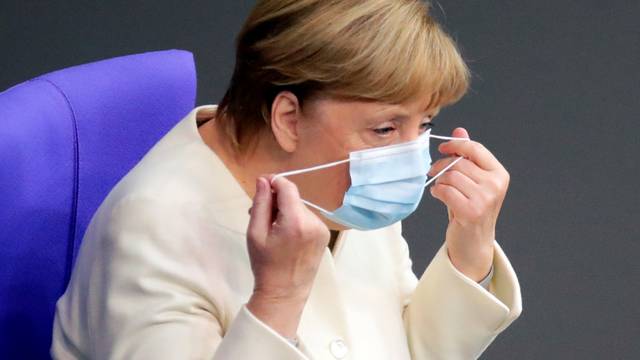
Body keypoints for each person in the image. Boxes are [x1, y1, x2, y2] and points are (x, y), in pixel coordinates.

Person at [52, 0, 522, 358]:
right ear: (289, 118)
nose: (410, 159)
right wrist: (278, 297)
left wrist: (470, 248)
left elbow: (402, 347)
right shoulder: (153, 226)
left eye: (423, 124)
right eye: (385, 128)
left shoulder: (336, 183)